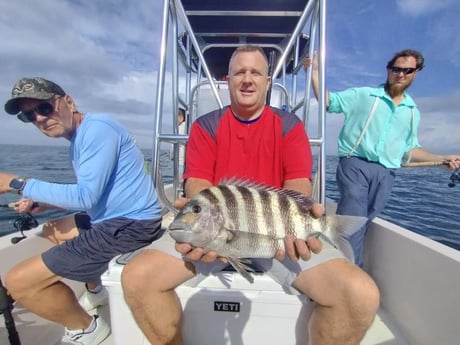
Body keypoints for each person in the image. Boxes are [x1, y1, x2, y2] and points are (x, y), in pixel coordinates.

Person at [121, 45, 380, 345]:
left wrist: (296, 230)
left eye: (255, 72)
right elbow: (198, 186)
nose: (247, 79)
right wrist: (206, 227)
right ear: (227, 79)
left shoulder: (289, 127)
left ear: (267, 82)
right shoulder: (205, 126)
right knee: (137, 278)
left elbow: (298, 185)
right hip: (214, 234)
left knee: (361, 296)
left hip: (277, 238)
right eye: (239, 72)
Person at [0, 77, 164, 345]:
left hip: (130, 225)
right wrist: (45, 203)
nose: (39, 118)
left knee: (19, 281)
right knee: (54, 230)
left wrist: (16, 184)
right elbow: (96, 192)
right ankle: (98, 292)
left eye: (44, 107)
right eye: (29, 115)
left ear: (68, 101)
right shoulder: (82, 135)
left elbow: (86, 197)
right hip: (119, 218)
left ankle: (86, 328)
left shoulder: (97, 130)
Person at [304, 50, 460, 267]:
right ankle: (350, 276)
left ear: (416, 73)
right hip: (354, 166)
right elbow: (329, 101)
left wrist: (442, 158)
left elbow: (410, 149)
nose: (401, 74)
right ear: (388, 70)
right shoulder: (364, 95)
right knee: (353, 222)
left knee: (363, 224)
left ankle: (339, 269)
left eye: (408, 70)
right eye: (396, 69)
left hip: (386, 174)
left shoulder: (412, 111)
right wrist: (314, 73)